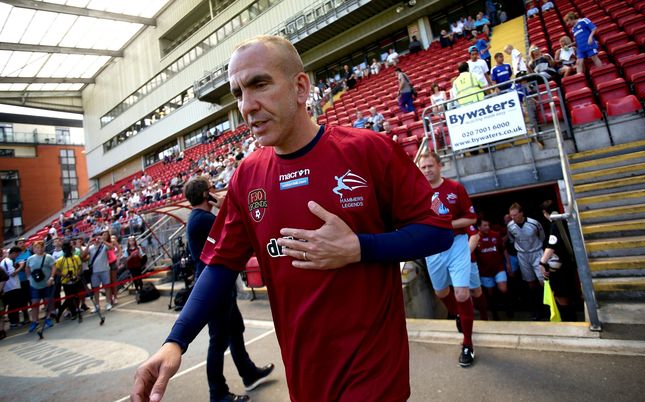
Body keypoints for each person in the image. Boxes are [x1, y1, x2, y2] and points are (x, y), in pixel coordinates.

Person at [131, 35, 453, 402]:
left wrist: (358, 248)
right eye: (238, 93)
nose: (246, 106)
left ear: (300, 87)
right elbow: (219, 266)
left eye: (259, 84)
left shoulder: (368, 150)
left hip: (374, 374)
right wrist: (176, 340)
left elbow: (437, 230)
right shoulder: (246, 177)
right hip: (305, 378)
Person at [184, 176, 274, 402]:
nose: (215, 189)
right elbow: (238, 225)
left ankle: (249, 373)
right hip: (214, 288)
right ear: (206, 194)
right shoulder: (203, 219)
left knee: (235, 330)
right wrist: (226, 206)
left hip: (220, 286)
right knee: (219, 340)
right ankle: (218, 393)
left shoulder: (200, 217)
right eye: (211, 188)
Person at [417, 152, 478, 367]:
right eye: (423, 167)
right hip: (432, 248)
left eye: (430, 166)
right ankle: (460, 315)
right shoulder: (418, 191)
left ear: (440, 166)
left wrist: (446, 225)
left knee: (462, 293)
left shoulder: (455, 188)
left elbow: (471, 218)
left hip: (457, 244)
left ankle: (467, 344)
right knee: (441, 292)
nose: (426, 170)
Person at [539, 200, 578, 322]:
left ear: (546, 213)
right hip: (568, 264)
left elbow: (552, 245)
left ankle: (569, 320)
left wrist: (542, 262)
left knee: (562, 296)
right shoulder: (566, 222)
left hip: (561, 267)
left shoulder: (555, 224)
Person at [506, 203, 546, 320]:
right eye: (511, 216)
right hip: (523, 255)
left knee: (542, 281)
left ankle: (548, 308)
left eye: (515, 215)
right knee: (530, 282)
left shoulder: (533, 223)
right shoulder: (510, 226)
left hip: (537, 252)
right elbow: (512, 239)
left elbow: (542, 236)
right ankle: (536, 309)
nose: (513, 217)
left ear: (521, 213)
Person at [475, 217, 509, 320]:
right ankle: (494, 313)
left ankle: (508, 307)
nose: (487, 227)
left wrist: (508, 264)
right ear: (479, 227)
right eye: (484, 225)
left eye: (488, 225)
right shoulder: (475, 238)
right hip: (485, 271)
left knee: (503, 288)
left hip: (499, 267)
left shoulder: (495, 235)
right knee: (489, 293)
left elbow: (503, 250)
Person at [25, 241, 57, 333]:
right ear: (34, 249)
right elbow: (27, 269)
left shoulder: (49, 257)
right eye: (37, 247)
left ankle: (48, 318)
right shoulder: (30, 259)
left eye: (40, 247)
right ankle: (35, 321)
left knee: (47, 302)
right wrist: (29, 278)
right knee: (35, 303)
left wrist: (51, 278)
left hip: (46, 283)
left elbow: (54, 267)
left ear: (43, 248)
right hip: (34, 285)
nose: (39, 249)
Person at [55, 242, 84, 323]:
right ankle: (71, 312)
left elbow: (80, 266)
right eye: (65, 250)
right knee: (69, 298)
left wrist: (78, 274)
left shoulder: (76, 257)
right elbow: (56, 270)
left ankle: (75, 310)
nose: (66, 251)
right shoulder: (60, 260)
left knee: (76, 297)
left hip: (76, 280)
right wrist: (64, 275)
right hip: (66, 281)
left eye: (68, 249)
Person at [88, 231, 114, 312]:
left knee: (107, 287)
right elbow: (83, 255)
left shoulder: (104, 246)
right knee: (96, 289)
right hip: (94, 272)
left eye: (98, 237)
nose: (96, 239)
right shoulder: (90, 247)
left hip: (105, 270)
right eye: (95, 237)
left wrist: (103, 241)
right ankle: (97, 305)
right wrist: (89, 243)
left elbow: (111, 248)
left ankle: (108, 303)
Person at [0, 247, 24, 328]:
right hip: (11, 287)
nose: (17, 256)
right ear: (13, 253)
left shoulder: (8, 261)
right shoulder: (7, 262)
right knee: (13, 305)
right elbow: (12, 274)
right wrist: (21, 266)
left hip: (13, 286)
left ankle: (15, 321)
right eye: (17, 254)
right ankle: (13, 322)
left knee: (15, 305)